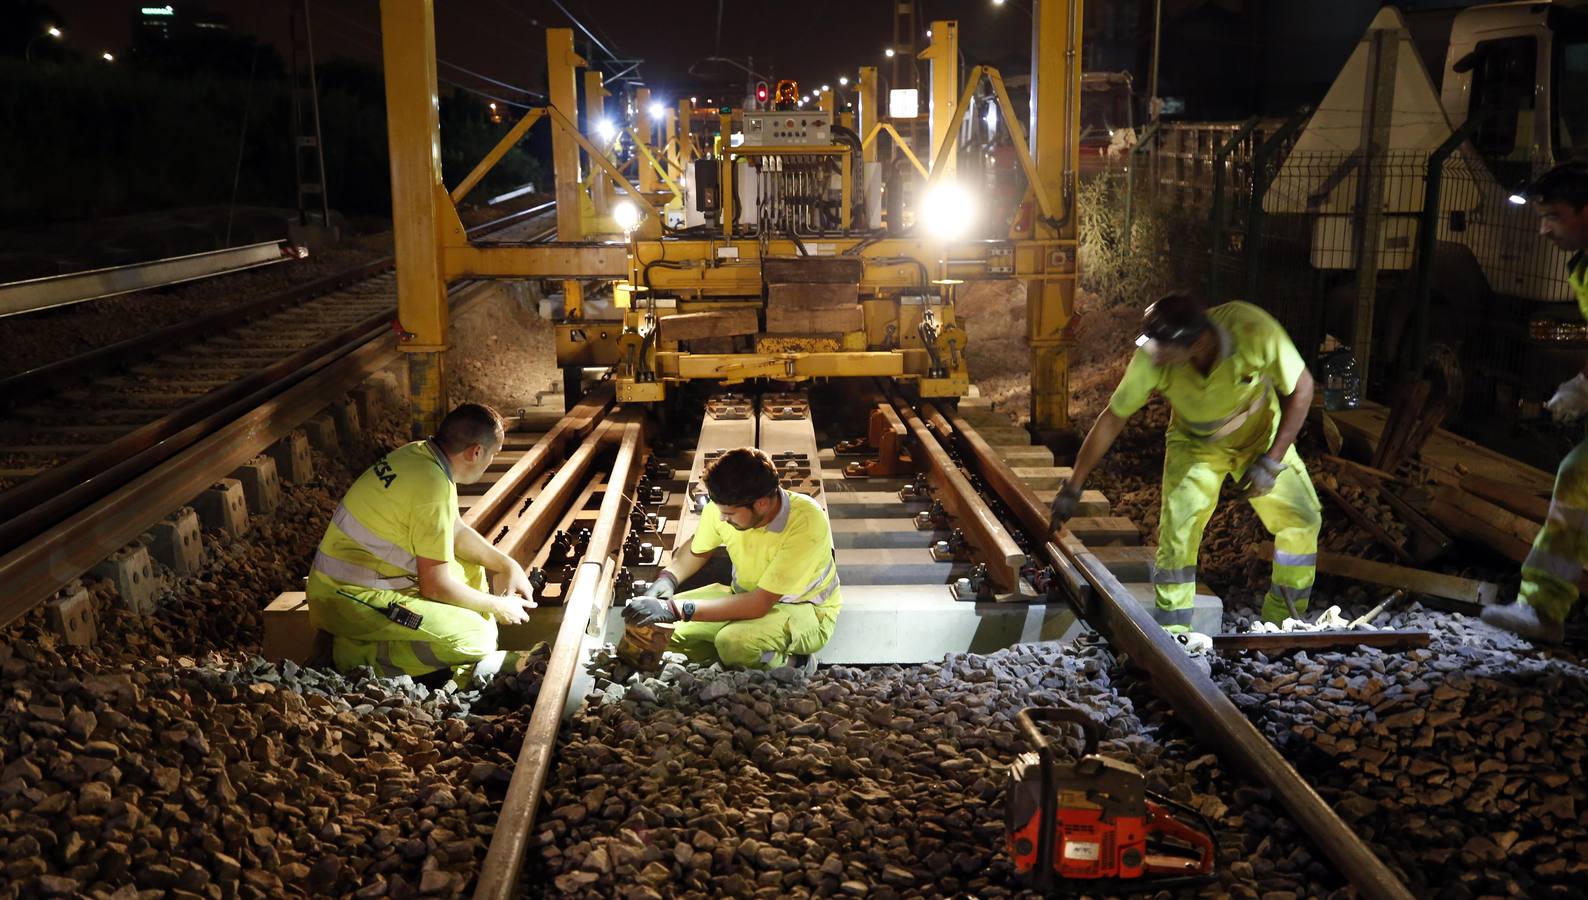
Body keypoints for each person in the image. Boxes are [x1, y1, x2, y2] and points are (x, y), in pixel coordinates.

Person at [1049, 293, 1322, 630]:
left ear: (1197, 343)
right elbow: (1112, 418)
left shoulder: (1253, 330)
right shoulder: (1153, 355)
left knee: (1301, 519)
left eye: (1163, 351)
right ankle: (1174, 631)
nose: (1154, 356)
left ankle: (1285, 621)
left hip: (1261, 436)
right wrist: (1074, 485)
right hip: (1194, 445)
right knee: (1179, 531)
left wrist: (1272, 461)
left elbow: (1303, 388)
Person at [307, 402, 537, 685]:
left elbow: (455, 533)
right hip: (345, 598)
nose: (491, 461)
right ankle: (350, 656)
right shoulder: (432, 488)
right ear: (476, 452)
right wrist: (497, 606)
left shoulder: (421, 457)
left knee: (470, 568)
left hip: (359, 582)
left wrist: (507, 565)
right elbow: (436, 586)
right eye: (493, 455)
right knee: (477, 639)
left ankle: (453, 651)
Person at [1482, 162, 1588, 644]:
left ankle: (1544, 608)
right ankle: (1543, 609)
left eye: (1556, 216)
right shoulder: (1582, 261)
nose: (1544, 228)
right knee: (1576, 476)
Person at [623, 447, 841, 668]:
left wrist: (676, 609)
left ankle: (797, 663)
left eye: (729, 514)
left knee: (733, 643)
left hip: (805, 611)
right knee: (654, 630)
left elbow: (760, 603)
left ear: (761, 503)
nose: (722, 518)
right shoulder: (723, 509)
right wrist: (668, 578)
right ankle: (729, 656)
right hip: (743, 598)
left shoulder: (806, 522)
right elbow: (697, 550)